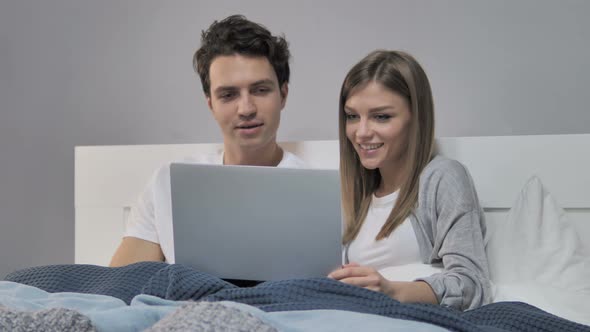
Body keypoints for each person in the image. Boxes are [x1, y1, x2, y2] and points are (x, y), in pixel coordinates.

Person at [109, 15, 305, 267]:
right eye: (228, 94)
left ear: (283, 95)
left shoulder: (327, 194)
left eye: (260, 90)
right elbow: (120, 285)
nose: (246, 108)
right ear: (211, 104)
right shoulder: (168, 184)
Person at [328, 50, 491, 310]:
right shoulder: (353, 193)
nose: (361, 133)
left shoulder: (443, 178)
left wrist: (391, 290)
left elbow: (472, 284)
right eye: (352, 116)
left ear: (416, 117)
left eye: (381, 117)